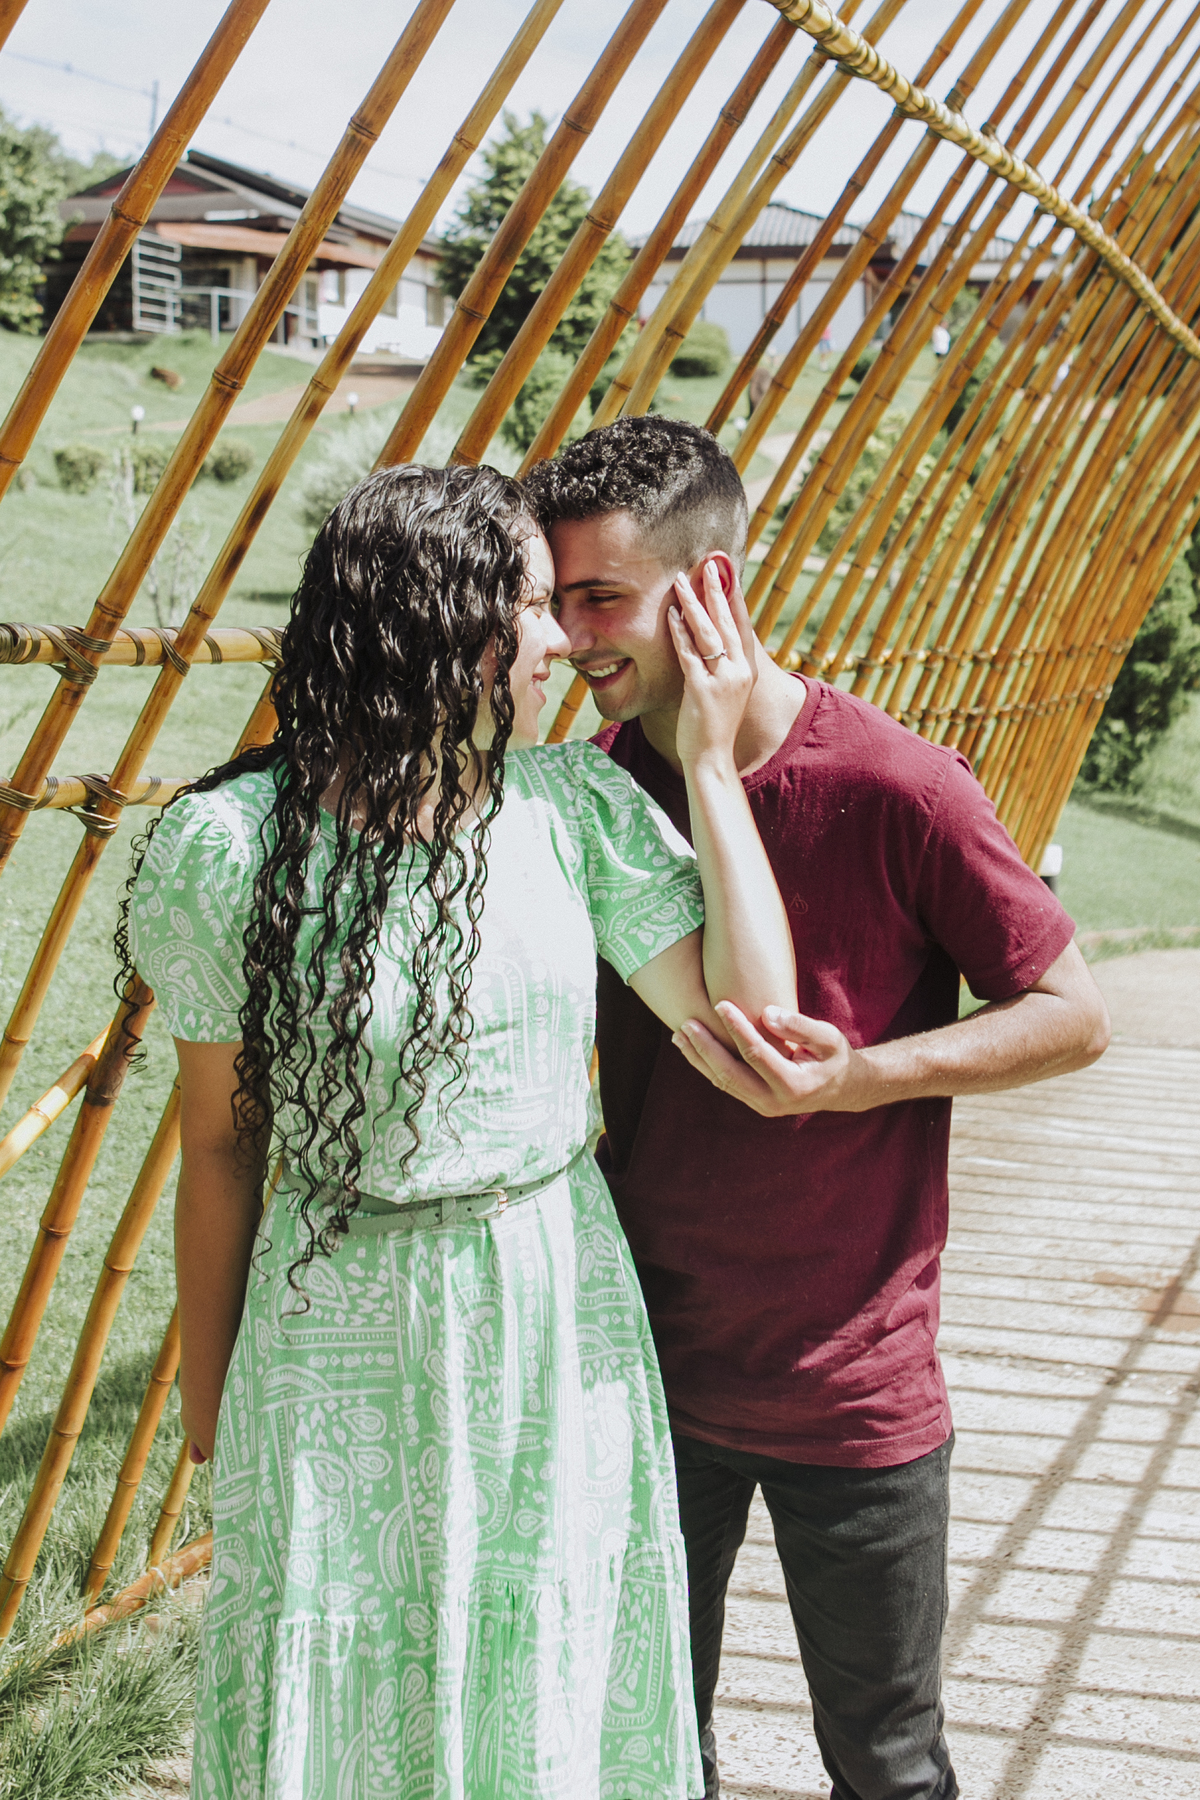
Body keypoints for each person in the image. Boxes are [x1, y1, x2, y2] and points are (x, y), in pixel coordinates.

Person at [118, 463, 799, 1799]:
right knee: (339, 1668)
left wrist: (711, 767)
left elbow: (755, 1023)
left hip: (548, 1307)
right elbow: (220, 1144)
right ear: (438, 623)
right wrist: (212, 1403)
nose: (564, 642)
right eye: (535, 606)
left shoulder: (574, 815)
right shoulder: (230, 849)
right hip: (331, 1323)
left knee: (536, 1662)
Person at [525, 416, 1111, 1800]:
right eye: (556, 600)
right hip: (645, 1365)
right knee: (648, 1753)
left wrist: (860, 1077)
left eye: (602, 597)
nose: (573, 635)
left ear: (711, 588)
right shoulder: (598, 792)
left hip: (857, 1382)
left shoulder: (901, 786)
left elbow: (1074, 1013)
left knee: (889, 1765)